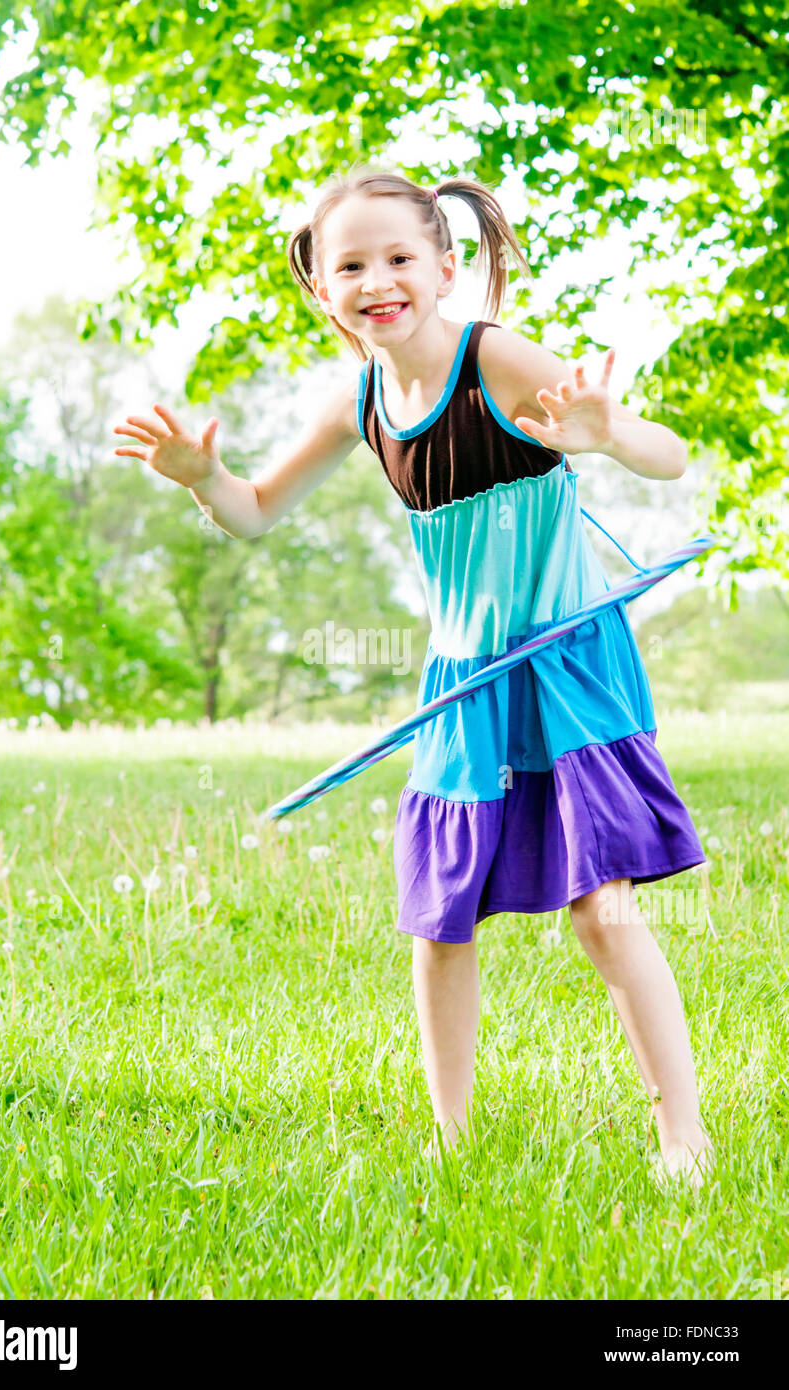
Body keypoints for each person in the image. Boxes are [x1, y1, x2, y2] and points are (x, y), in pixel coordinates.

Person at [113, 166, 715, 1188]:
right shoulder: (359, 401)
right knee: (439, 917)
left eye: (397, 258)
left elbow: (669, 455)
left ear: (444, 267)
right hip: (461, 672)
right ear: (321, 288)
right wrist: (201, 479)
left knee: (599, 907)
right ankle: (451, 1140)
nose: (375, 280)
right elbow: (254, 508)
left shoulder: (494, 357)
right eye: (349, 265)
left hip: (563, 657)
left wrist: (605, 434)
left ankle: (681, 1133)